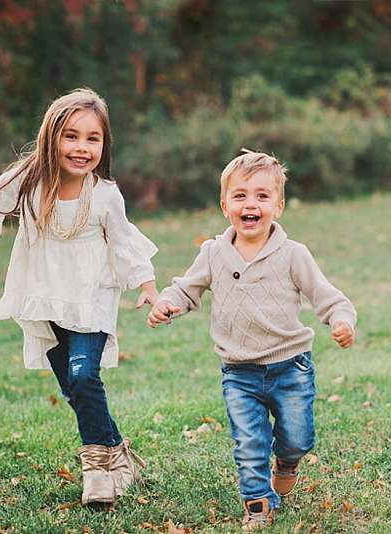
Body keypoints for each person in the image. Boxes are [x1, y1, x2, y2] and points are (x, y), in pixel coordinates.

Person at [0, 88, 155, 505]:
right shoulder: (30, 179)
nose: (82, 147)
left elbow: (124, 241)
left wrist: (146, 283)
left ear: (103, 144)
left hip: (91, 299)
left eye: (92, 138)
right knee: (73, 387)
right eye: (71, 136)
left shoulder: (104, 193)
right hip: (44, 297)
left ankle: (97, 470)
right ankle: (120, 454)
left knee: (82, 375)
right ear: (51, 138)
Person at [147, 149, 357, 531]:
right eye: (240, 195)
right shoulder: (213, 253)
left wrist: (341, 320)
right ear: (224, 203)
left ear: (279, 205)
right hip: (238, 371)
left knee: (297, 437)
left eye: (262, 196)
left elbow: (329, 297)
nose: (251, 204)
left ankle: (288, 461)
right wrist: (168, 303)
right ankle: (257, 504)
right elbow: (186, 289)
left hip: (290, 366)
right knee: (249, 444)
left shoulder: (294, 255)